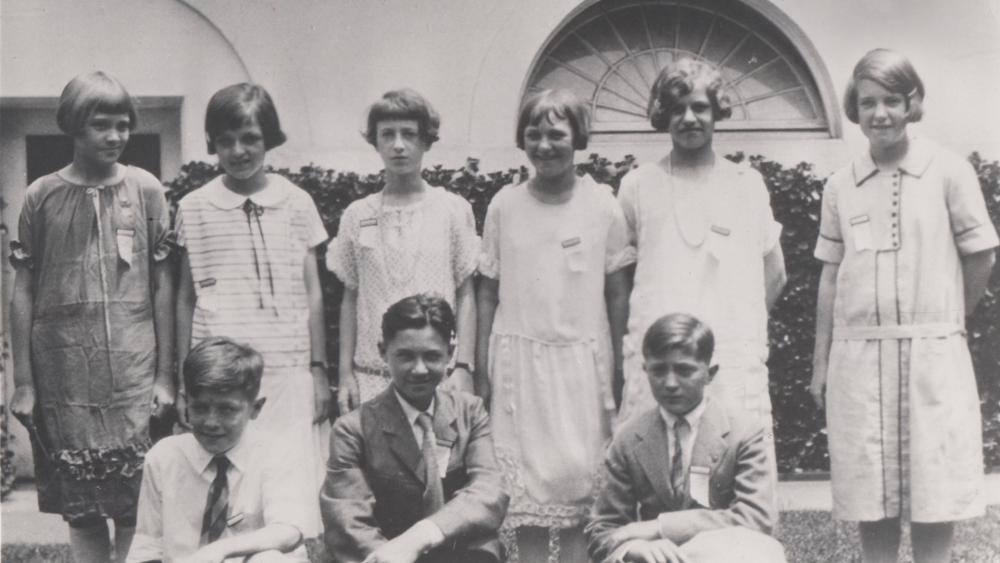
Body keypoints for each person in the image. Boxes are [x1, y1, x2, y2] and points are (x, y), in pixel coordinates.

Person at [810, 48, 998, 563]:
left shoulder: (949, 170)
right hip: (859, 359)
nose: (881, 114)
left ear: (912, 102)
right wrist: (820, 361)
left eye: (892, 100)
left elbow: (981, 253)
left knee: (933, 491)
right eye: (868, 102)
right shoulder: (840, 186)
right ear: (855, 108)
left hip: (931, 357)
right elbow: (830, 273)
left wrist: (949, 319)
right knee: (872, 494)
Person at [8, 71, 174, 563]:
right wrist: (24, 382)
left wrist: (165, 376)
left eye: (124, 125)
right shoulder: (40, 195)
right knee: (80, 508)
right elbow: (23, 292)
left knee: (133, 504)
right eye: (102, 125)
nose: (116, 136)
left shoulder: (145, 189)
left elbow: (163, 284)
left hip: (132, 368)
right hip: (62, 374)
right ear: (73, 127)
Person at [475, 89, 632, 562]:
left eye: (556, 134)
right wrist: (481, 366)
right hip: (518, 366)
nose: (544, 145)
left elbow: (618, 291)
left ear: (578, 138)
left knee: (578, 484)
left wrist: (621, 360)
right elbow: (487, 289)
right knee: (527, 496)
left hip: (582, 364)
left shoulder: (603, 206)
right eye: (534, 133)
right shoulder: (505, 205)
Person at [175, 83, 330, 536]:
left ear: (269, 139)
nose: (238, 151)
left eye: (250, 139)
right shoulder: (194, 207)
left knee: (287, 495)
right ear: (212, 144)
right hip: (220, 378)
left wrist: (318, 369)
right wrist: (186, 383)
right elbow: (186, 298)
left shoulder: (297, 203)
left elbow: (314, 292)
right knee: (228, 493)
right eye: (226, 140)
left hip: (285, 371)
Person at [615, 59, 787, 438]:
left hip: (727, 358)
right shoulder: (638, 186)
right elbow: (621, 281)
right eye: (677, 109)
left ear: (717, 110)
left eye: (699, 107)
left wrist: (735, 328)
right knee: (656, 470)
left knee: (733, 460)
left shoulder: (747, 184)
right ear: (663, 114)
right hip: (660, 359)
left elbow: (775, 273)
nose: (689, 118)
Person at [321, 294, 509, 563]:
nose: (419, 369)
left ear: (450, 353)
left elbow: (488, 491)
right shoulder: (353, 430)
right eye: (405, 356)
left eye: (432, 356)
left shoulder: (470, 413)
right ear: (382, 351)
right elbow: (349, 522)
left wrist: (423, 535)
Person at [585, 313, 785, 563]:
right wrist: (633, 548)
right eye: (658, 370)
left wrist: (659, 527)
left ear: (710, 373)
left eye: (684, 370)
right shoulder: (629, 438)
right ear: (645, 370)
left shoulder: (743, 432)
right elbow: (602, 530)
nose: (670, 383)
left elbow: (756, 517)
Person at [327, 89, 479, 411]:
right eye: (388, 135)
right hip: (373, 374)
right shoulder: (358, 214)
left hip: (437, 375)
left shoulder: (453, 210)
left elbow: (466, 293)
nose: (398, 145)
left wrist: (463, 367)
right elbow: (350, 297)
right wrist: (345, 374)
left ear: (425, 141)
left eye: (409, 134)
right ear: (376, 142)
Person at [128, 337, 312, 563]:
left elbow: (288, 530)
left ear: (255, 408)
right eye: (200, 408)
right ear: (186, 404)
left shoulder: (277, 452)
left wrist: (220, 550)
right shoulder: (164, 457)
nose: (211, 422)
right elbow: (148, 541)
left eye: (227, 409)